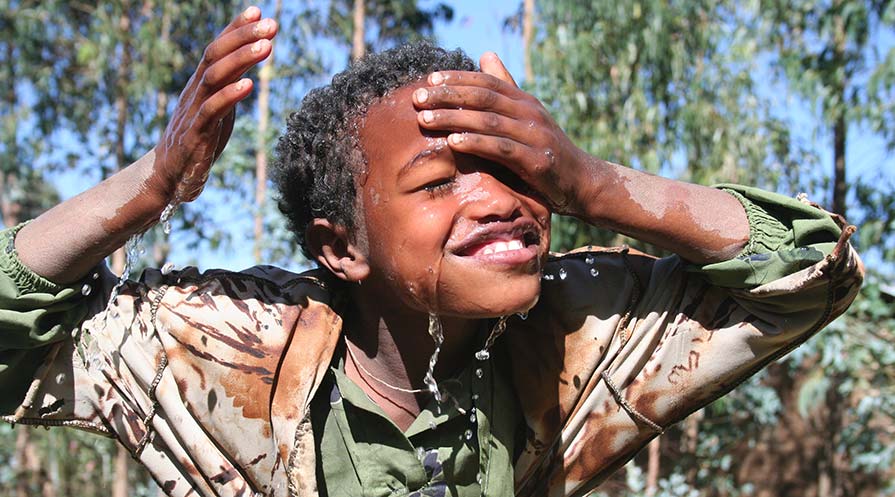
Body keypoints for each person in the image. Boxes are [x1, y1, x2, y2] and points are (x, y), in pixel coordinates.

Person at [0, 6, 862, 497]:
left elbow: (805, 274)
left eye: (516, 170)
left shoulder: (576, 331)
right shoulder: (224, 348)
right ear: (341, 248)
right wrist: (148, 188)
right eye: (439, 183)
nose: (500, 199)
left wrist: (596, 185)